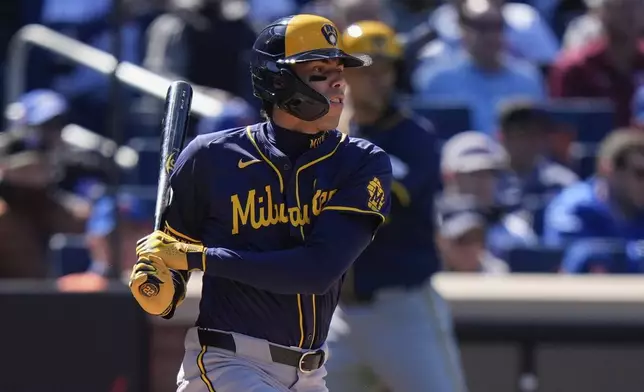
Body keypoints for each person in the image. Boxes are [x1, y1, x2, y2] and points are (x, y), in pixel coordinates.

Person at [130, 14, 393, 392]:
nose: (339, 81)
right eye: (320, 70)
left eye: (340, 68)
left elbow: (317, 271)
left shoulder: (361, 162)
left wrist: (196, 258)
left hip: (310, 375)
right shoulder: (209, 157)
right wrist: (158, 285)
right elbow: (169, 276)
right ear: (279, 80)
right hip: (228, 363)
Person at [324, 20, 468, 392]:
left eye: (386, 69)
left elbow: (374, 209)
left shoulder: (413, 137)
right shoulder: (329, 134)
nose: (379, 79)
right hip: (338, 312)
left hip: (403, 310)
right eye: (368, 69)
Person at [543, 129, 644, 247]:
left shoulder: (638, 213)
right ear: (608, 170)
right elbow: (572, 255)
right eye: (640, 173)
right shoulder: (575, 206)